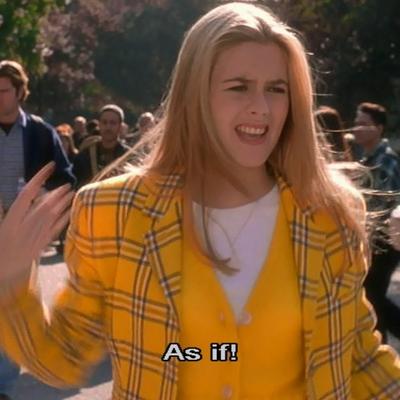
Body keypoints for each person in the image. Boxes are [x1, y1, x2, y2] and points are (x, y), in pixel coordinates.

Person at [0, 3, 400, 400]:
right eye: (239, 86)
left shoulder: (329, 212)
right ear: (195, 95)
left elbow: (360, 359)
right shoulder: (113, 213)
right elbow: (64, 356)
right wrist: (11, 282)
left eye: (277, 89)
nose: (261, 107)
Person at [0, 59, 75, 399]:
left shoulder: (41, 133)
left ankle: (3, 383)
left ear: (19, 92)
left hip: (22, 232)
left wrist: (42, 195)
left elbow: (66, 177)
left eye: (3, 91)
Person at [353, 101, 400, 342]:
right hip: (372, 241)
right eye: (356, 123)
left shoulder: (386, 161)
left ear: (379, 128)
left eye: (364, 124)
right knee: (373, 296)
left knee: (372, 295)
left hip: (384, 243)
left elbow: (382, 210)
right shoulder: (366, 159)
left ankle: (378, 347)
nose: (357, 128)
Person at [72, 104, 130, 188]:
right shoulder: (85, 156)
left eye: (113, 123)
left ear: (120, 126)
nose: (108, 127)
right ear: (99, 125)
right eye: (104, 122)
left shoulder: (129, 156)